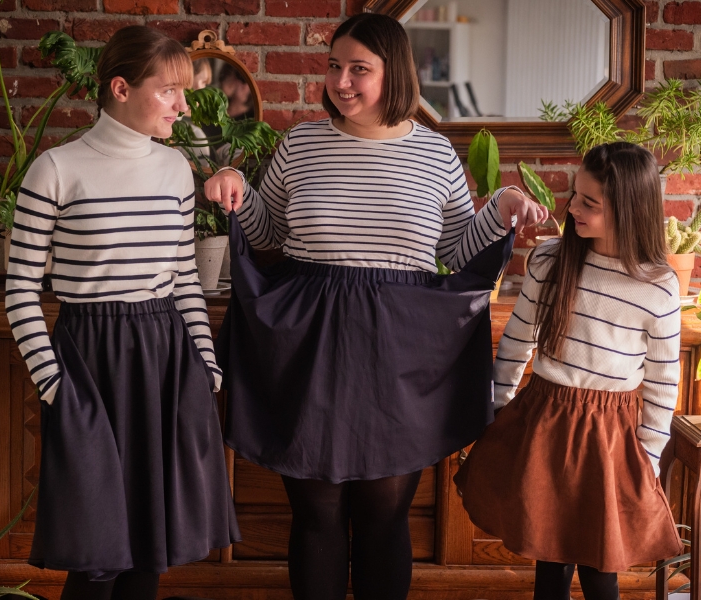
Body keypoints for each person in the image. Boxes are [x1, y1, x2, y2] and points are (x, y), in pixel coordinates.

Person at [203, 12, 548, 600]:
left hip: (399, 350)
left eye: (359, 69)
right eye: (335, 66)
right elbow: (265, 232)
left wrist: (504, 205)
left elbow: (456, 249)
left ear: (396, 74)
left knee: (385, 513)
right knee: (314, 512)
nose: (342, 82)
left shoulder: (436, 155)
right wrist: (232, 181)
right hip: (307, 345)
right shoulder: (302, 143)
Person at [5, 25, 239, 600]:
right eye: (169, 92)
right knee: (95, 550)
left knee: (149, 548)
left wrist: (205, 366)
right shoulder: (55, 170)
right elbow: (19, 289)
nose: (184, 108)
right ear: (119, 88)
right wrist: (55, 384)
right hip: (89, 360)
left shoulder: (174, 171)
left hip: (164, 357)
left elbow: (184, 277)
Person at [454, 142, 685, 600]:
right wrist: (496, 410)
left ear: (627, 209)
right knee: (551, 554)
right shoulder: (550, 262)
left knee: (601, 564)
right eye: (574, 196)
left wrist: (649, 453)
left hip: (611, 436)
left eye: (589, 203)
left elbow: (663, 379)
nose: (573, 208)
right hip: (545, 419)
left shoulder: (657, 287)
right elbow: (518, 339)